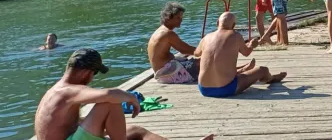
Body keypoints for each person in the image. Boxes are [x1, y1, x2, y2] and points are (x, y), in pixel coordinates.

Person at [34, 48, 213, 140]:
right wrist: (130, 97)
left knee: (136, 130)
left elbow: (67, 124)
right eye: (94, 74)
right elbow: (110, 94)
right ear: (87, 72)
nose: (92, 79)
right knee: (109, 103)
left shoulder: (54, 91)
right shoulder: (69, 91)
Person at [195, 12, 285, 98]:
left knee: (222, 67)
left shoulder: (206, 38)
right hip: (226, 88)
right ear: (234, 26)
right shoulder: (236, 36)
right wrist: (252, 45)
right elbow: (246, 53)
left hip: (204, 89)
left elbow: (196, 53)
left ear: (217, 23)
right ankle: (271, 78)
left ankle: (243, 70)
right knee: (263, 70)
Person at [148, 2, 200, 84]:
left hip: (161, 72)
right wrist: (205, 50)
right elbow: (185, 50)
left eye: (181, 17)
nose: (181, 20)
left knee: (190, 59)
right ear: (168, 17)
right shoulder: (167, 33)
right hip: (167, 74)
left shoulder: (160, 30)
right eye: (178, 17)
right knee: (202, 62)